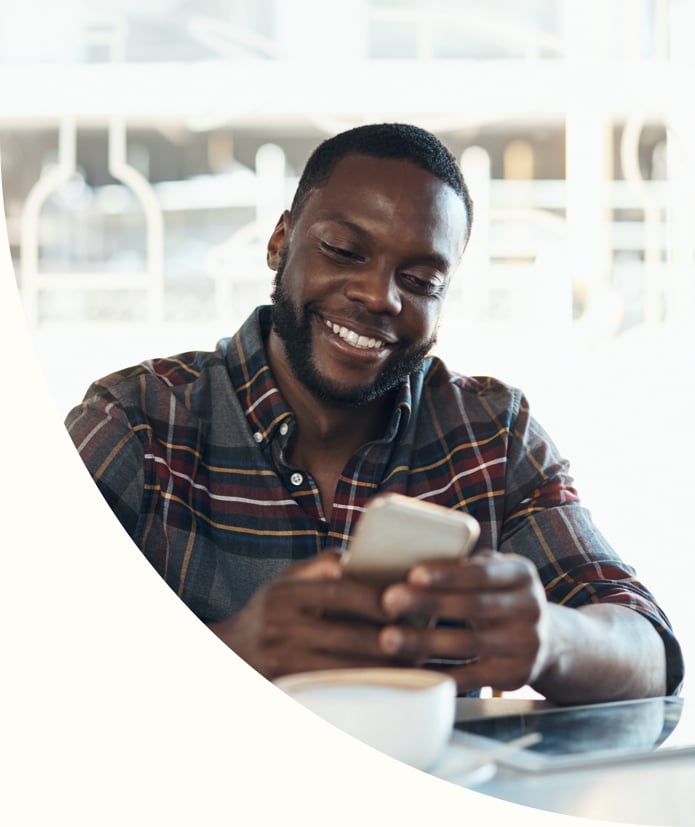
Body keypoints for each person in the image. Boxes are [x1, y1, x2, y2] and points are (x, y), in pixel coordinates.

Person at [65, 123, 684, 703]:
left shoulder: (491, 435)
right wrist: (235, 654)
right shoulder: (137, 422)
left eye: (419, 281)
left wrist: (553, 639)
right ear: (280, 241)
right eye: (342, 250)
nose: (378, 297)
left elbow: (650, 651)